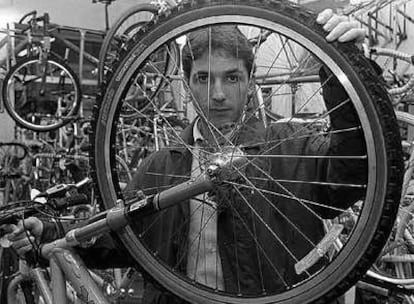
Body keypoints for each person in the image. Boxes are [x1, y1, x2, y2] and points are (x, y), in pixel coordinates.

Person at [4, 8, 369, 304]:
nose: (219, 94)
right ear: (187, 81)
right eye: (204, 78)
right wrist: (51, 230)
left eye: (232, 78)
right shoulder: (162, 166)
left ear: (251, 80)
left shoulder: (291, 145)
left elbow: (351, 175)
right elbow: (117, 234)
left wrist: (350, 72)